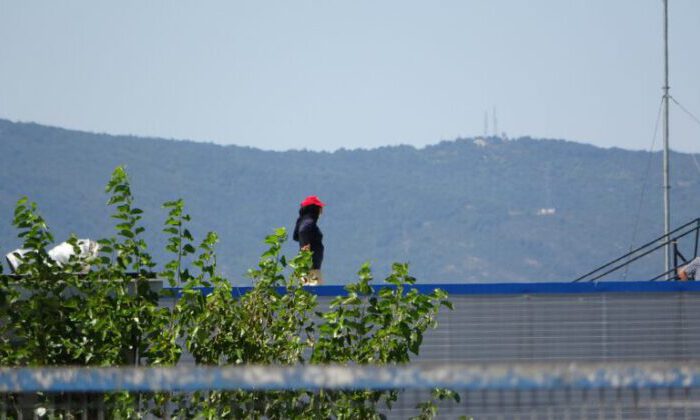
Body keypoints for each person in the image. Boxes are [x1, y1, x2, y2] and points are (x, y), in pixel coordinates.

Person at [293, 195, 325, 285]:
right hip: (311, 270)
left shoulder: (304, 221)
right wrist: (306, 246)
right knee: (315, 293)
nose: (322, 210)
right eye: (320, 208)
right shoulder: (308, 223)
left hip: (310, 268)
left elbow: (297, 235)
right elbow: (303, 232)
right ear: (315, 209)